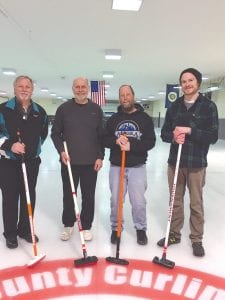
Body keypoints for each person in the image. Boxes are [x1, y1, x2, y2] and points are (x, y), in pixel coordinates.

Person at [157, 68, 219, 257]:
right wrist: (174, 137)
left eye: (190, 80)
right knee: (175, 200)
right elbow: (164, 134)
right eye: (183, 81)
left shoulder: (208, 106)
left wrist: (191, 131)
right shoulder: (174, 106)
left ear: (198, 82)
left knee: (196, 203)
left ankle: (196, 239)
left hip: (196, 164)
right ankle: (174, 234)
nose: (187, 84)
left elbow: (213, 136)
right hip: (175, 162)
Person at [51, 77, 104, 242]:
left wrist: (100, 156)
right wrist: (61, 151)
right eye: (77, 87)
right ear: (73, 89)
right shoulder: (63, 109)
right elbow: (55, 133)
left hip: (90, 163)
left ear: (87, 88)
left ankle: (86, 226)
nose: (80, 89)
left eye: (83, 87)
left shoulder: (96, 109)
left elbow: (101, 136)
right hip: (69, 163)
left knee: (88, 196)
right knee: (68, 195)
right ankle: (68, 224)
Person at [0, 75, 48, 249]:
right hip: (8, 163)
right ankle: (11, 233)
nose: (24, 89)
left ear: (32, 89)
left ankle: (25, 230)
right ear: (14, 88)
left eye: (27, 86)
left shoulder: (39, 111)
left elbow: (43, 134)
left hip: (31, 163)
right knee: (10, 198)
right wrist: (9, 145)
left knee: (29, 197)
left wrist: (34, 150)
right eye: (20, 86)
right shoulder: (3, 109)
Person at [104, 84, 156, 245]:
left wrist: (132, 145)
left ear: (133, 96)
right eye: (122, 95)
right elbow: (104, 139)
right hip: (117, 166)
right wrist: (115, 140)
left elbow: (151, 142)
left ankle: (141, 229)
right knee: (115, 200)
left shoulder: (144, 118)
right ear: (119, 98)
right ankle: (116, 228)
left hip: (137, 167)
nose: (125, 98)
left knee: (138, 201)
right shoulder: (113, 119)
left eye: (127, 94)